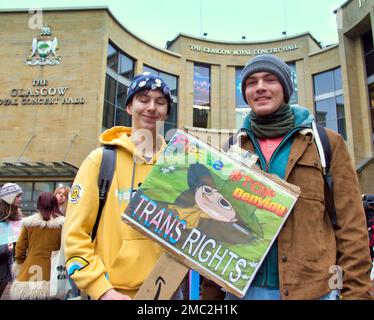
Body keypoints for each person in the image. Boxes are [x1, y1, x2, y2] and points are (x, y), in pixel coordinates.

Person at [202, 54, 372, 300]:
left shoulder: (326, 143)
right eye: (251, 83)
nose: (260, 87)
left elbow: (351, 227)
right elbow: (216, 227)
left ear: (285, 88)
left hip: (312, 292)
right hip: (241, 291)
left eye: (269, 80)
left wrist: (356, 294)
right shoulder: (232, 147)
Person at [63, 72, 175, 300]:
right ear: (129, 107)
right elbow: (74, 236)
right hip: (112, 293)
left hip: (168, 293)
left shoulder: (178, 165)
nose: (152, 107)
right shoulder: (100, 160)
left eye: (160, 102)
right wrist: (102, 291)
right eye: (143, 99)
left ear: (166, 113)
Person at [10, 192, 64, 300]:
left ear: (38, 205)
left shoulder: (28, 224)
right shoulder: (62, 225)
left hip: (30, 271)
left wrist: (20, 264)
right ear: (55, 205)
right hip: (52, 272)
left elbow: (20, 248)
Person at [0, 183, 23, 298]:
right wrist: (6, 247)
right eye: (17, 196)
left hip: (13, 263)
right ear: (9, 198)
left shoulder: (18, 215)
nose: (20, 199)